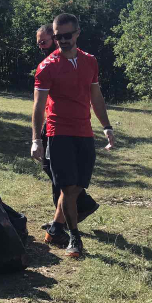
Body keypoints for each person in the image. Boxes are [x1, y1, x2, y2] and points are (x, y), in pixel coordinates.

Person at [31, 13, 114, 258]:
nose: (63, 41)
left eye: (67, 36)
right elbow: (38, 106)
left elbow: (96, 97)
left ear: (78, 33)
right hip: (59, 132)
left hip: (84, 132)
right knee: (67, 186)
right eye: (58, 37)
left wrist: (106, 126)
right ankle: (74, 239)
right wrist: (36, 139)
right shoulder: (47, 67)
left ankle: (56, 228)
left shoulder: (90, 62)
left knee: (77, 186)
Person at [36, 24, 100, 232]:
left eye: (44, 41)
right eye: (40, 43)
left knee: (60, 175)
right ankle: (62, 219)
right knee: (57, 173)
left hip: (70, 126)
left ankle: (64, 218)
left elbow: (92, 94)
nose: (43, 45)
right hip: (55, 124)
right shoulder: (49, 62)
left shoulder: (81, 60)